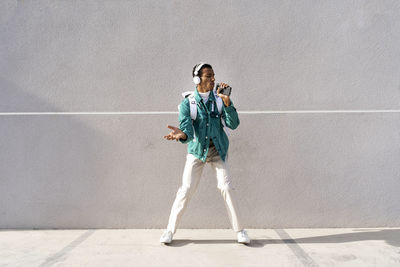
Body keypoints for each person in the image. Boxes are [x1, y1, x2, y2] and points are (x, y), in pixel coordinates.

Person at [160, 62, 250, 244]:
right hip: (197, 151)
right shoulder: (188, 103)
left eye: (213, 75)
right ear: (197, 79)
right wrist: (181, 134)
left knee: (226, 187)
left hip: (218, 150)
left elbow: (233, 124)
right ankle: (169, 231)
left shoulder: (219, 99)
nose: (213, 79)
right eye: (208, 76)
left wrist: (227, 102)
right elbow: (187, 129)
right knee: (186, 189)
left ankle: (240, 231)